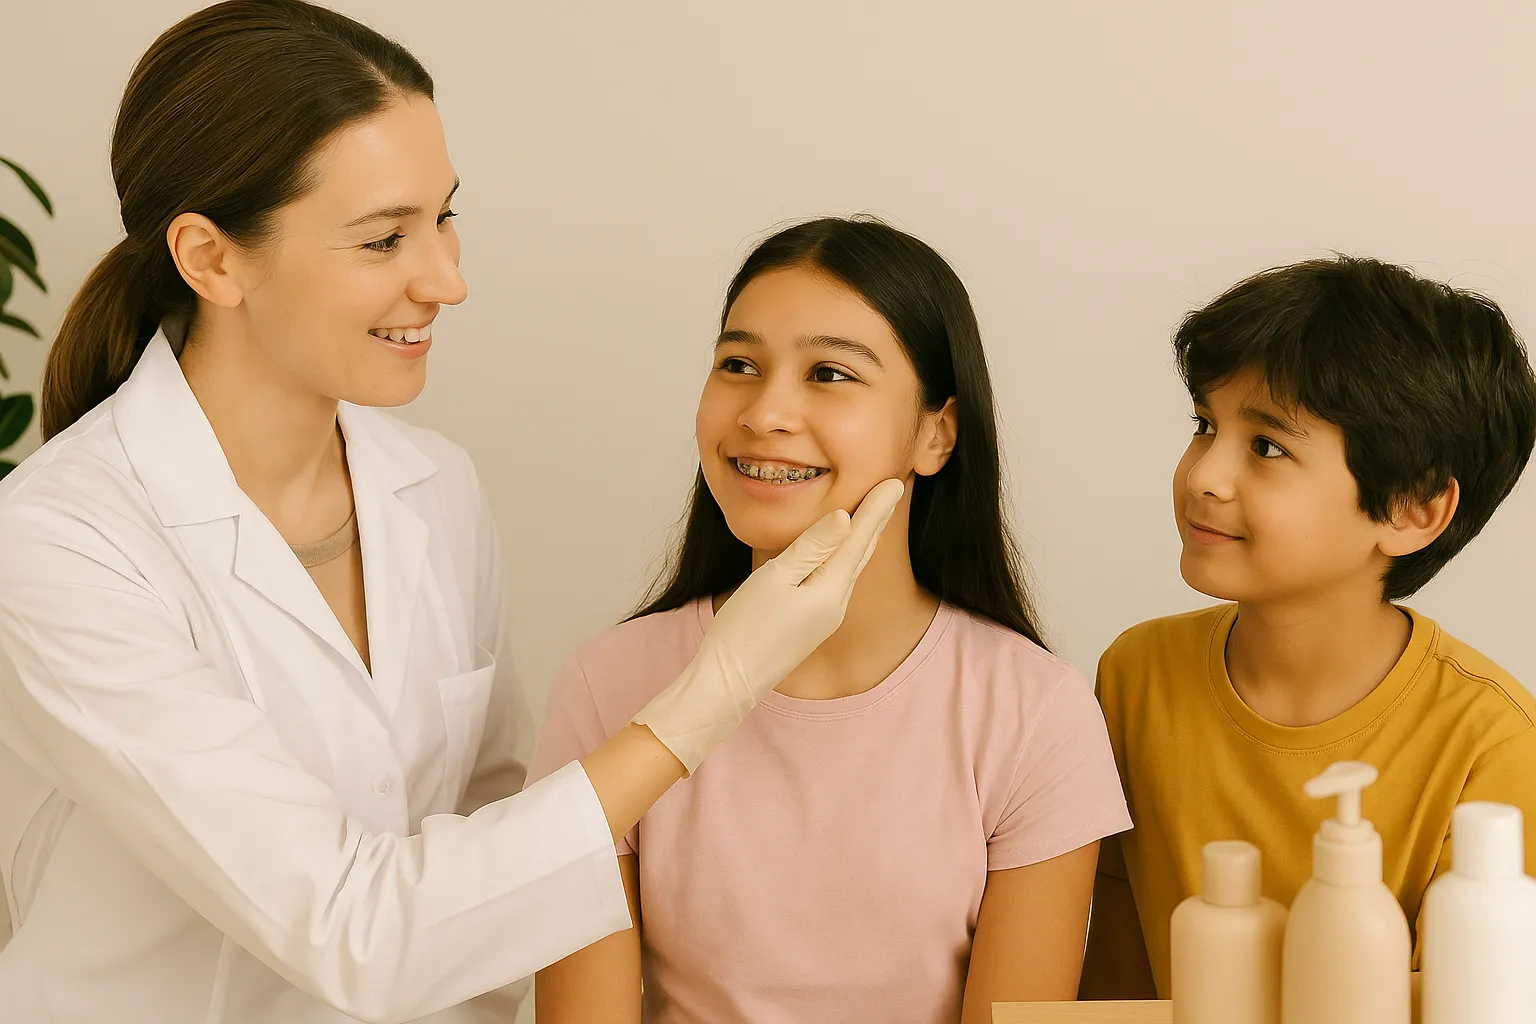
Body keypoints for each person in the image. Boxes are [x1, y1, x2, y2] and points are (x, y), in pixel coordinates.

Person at [0, 4, 901, 1023]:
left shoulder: (435, 487)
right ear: (212, 258)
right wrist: (716, 690)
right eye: (385, 238)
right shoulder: (62, 543)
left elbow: (491, 849)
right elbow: (352, 926)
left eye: (444, 217)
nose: (448, 279)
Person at [526, 217, 1131, 1024]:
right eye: (739, 365)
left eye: (830, 374)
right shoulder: (609, 684)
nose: (766, 412)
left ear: (935, 433)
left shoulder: (1035, 711)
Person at [1080, 255, 1536, 1000]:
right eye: (1205, 425)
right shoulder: (1136, 675)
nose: (1203, 475)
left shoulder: (1495, 747)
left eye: (1267, 447)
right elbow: (1120, 975)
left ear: (1412, 510)